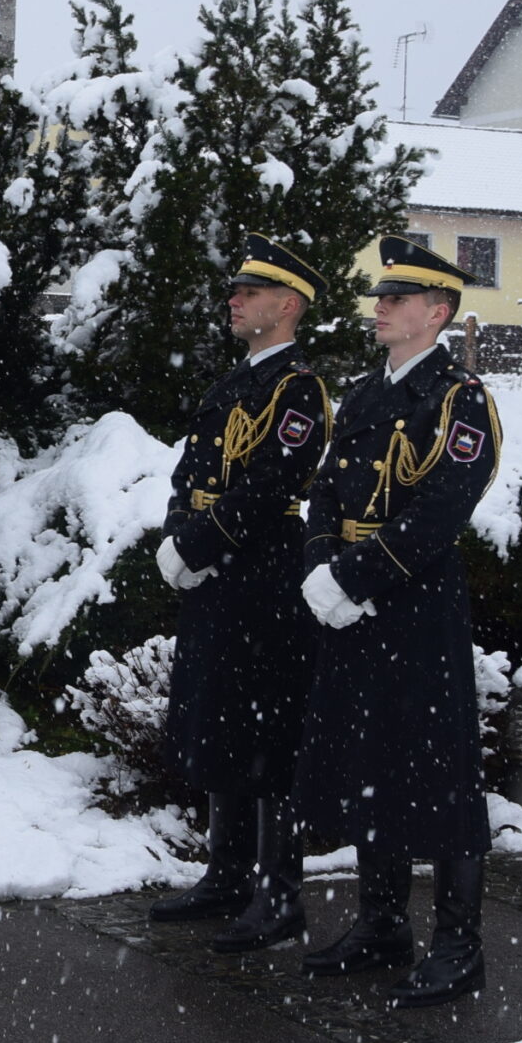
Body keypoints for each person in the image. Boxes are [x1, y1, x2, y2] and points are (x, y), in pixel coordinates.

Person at [295, 235, 502, 1009]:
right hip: (353, 607)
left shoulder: (458, 400)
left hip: (416, 606)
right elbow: (325, 490)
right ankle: (383, 923)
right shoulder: (363, 394)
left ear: (437, 312)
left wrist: (355, 576)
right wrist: (322, 564)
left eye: (397, 298)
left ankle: (459, 945)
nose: (379, 308)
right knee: (369, 760)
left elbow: (441, 510)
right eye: (380, 296)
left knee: (441, 774)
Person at [150, 234, 334, 952]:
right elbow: (189, 471)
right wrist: (178, 536)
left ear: (287, 306)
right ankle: (226, 874)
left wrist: (198, 544)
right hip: (218, 579)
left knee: (268, 734)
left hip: (264, 580)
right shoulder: (231, 383)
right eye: (235, 290)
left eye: (250, 292)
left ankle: (279, 893)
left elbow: (269, 486)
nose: (234, 299)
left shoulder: (297, 389)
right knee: (220, 722)